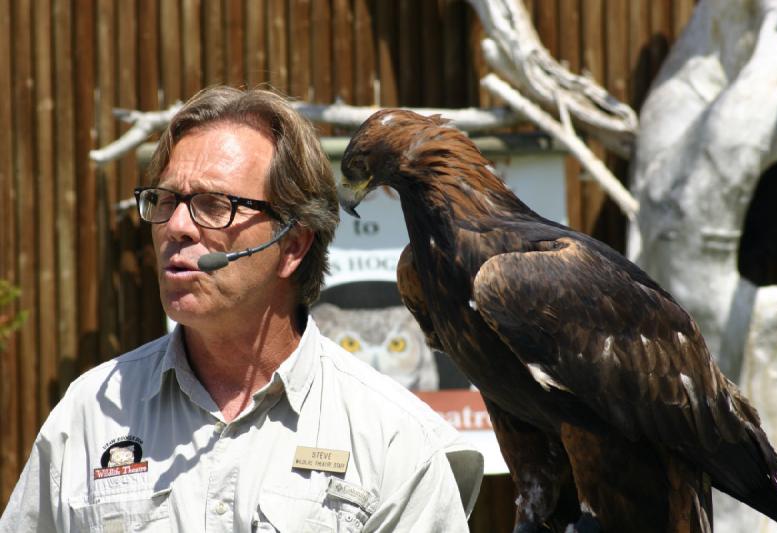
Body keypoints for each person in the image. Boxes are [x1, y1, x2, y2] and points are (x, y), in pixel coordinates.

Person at [0, 86, 483, 532]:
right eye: (164, 201)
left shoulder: (395, 439)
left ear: (292, 244)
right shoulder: (88, 414)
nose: (178, 227)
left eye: (214, 205)